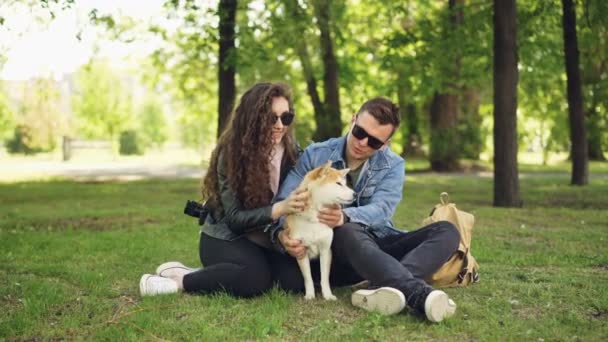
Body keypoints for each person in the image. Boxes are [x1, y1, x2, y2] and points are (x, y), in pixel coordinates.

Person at [269, 97, 461, 323]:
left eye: (374, 142)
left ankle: (385, 285)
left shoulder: (393, 165)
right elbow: (284, 200)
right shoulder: (316, 155)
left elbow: (382, 209)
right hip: (331, 251)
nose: (362, 143)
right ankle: (415, 292)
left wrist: (346, 216)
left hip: (377, 246)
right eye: (360, 132)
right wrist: (283, 233)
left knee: (448, 231)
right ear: (353, 120)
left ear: (386, 144)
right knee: (346, 231)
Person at [139, 82, 308, 297]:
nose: (279, 125)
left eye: (286, 117)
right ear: (253, 117)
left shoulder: (292, 150)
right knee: (254, 279)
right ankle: (179, 281)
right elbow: (235, 220)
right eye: (271, 117)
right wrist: (280, 208)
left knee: (293, 280)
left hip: (265, 238)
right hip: (224, 236)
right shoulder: (232, 153)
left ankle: (212, 274)